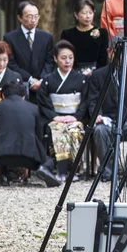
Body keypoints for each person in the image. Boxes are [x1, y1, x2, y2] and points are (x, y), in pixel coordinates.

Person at [0, 81, 61, 187]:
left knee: (2, 140)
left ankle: (3, 175)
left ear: (3, 96)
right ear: (24, 97)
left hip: (4, 155)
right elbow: (39, 135)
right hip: (29, 154)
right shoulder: (34, 108)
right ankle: (42, 168)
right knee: (49, 160)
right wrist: (34, 157)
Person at [37, 40, 89, 182]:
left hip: (74, 118)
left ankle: (72, 169)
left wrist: (76, 117)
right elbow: (43, 103)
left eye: (70, 58)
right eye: (63, 58)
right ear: (55, 59)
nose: (67, 62)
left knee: (73, 130)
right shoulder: (48, 80)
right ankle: (61, 171)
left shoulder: (82, 79)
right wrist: (55, 117)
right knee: (58, 131)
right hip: (56, 118)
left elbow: (85, 101)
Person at [87, 50, 127, 181]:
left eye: (122, 52)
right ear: (108, 52)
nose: (118, 55)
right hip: (108, 119)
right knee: (99, 130)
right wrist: (97, 115)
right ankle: (108, 171)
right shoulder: (98, 75)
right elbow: (93, 100)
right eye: (114, 51)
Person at [4, 1, 54, 102]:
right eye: (30, 16)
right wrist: (30, 79)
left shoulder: (46, 37)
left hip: (42, 85)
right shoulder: (10, 38)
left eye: (36, 16)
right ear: (19, 17)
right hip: (21, 84)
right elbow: (11, 63)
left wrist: (41, 80)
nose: (33, 20)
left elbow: (50, 61)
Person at [60, 0, 108, 76]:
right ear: (76, 15)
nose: (88, 16)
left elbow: (103, 59)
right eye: (84, 13)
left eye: (90, 13)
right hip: (73, 74)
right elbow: (64, 55)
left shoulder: (102, 33)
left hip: (96, 74)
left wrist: (94, 73)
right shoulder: (67, 34)